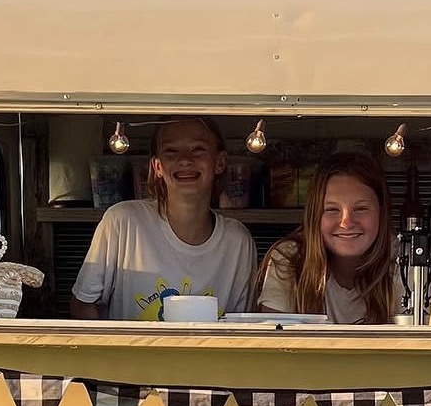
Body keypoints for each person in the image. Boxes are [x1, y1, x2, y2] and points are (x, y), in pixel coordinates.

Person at [70, 117, 256, 320]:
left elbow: (242, 326)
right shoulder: (122, 221)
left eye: (198, 149)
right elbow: (83, 305)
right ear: (157, 166)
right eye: (171, 151)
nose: (185, 160)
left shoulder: (238, 242)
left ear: (220, 162)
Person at [256, 152, 399, 323]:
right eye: (332, 209)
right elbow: (272, 342)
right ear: (314, 215)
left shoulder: (403, 260)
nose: (346, 223)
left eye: (361, 209)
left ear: (382, 212)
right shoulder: (289, 259)